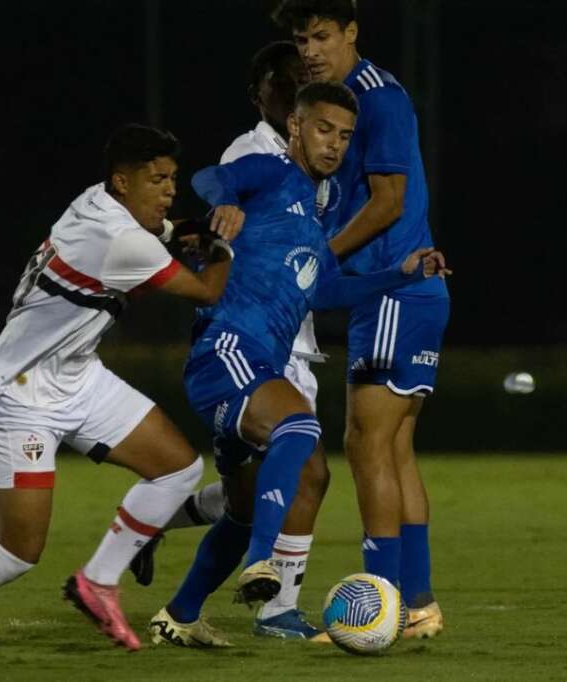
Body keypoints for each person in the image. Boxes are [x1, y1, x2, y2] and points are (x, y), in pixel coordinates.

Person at [0, 124, 240, 662]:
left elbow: (163, 230)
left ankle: (100, 578)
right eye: (157, 179)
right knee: (19, 551)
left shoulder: (95, 203)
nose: (169, 189)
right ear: (122, 182)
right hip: (19, 393)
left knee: (178, 469)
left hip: (77, 376)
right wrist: (224, 246)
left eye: (173, 178)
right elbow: (207, 289)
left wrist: (184, 228)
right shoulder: (123, 241)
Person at [148, 81, 449, 648]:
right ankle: (263, 565)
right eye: (322, 129)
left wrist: (404, 274)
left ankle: (180, 614)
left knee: (240, 510)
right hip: (229, 350)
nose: (334, 145)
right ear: (294, 127)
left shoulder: (315, 221)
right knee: (301, 427)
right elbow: (211, 178)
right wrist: (228, 200)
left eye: (344, 136)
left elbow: (327, 290)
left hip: (254, 365)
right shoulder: (268, 170)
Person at [129, 41, 334, 641]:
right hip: (246, 340)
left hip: (285, 337)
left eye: (303, 79)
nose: (295, 89)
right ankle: (274, 605)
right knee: (308, 464)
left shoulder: (313, 173)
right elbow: (218, 185)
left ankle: (178, 600)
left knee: (249, 501)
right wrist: (224, 207)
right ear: (263, 97)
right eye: (284, 83)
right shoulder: (257, 152)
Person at [272, 0, 451, 639]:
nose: (311, 49)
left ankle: (382, 605)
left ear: (351, 33)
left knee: (365, 444)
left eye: (322, 35)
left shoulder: (380, 98)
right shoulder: (343, 101)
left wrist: (319, 257)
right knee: (394, 449)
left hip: (397, 292)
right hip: (400, 292)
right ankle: (417, 604)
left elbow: (389, 201)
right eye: (302, 40)